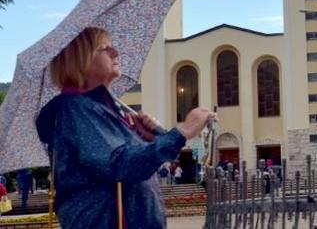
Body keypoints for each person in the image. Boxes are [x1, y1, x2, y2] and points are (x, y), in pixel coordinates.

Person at [35, 27, 217, 229]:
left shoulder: (98, 109)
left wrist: (150, 138)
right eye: (105, 48)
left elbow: (129, 163)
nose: (116, 53)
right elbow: (119, 164)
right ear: (81, 58)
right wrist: (183, 131)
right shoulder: (75, 109)